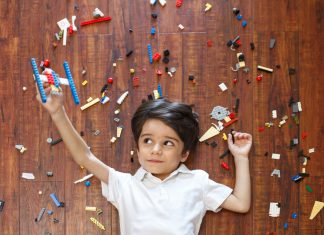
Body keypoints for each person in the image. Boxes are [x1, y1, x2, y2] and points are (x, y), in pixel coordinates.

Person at [36, 85, 252, 235]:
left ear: (184, 154)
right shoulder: (124, 185)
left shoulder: (197, 182)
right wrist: (58, 113)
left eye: (168, 143)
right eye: (147, 141)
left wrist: (240, 157)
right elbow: (85, 156)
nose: (155, 150)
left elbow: (241, 204)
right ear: (138, 150)